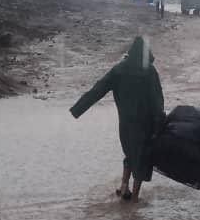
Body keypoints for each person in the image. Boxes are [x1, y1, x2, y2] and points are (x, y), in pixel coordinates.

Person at [70, 36, 164, 202]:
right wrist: (160, 122)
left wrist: (78, 109)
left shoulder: (119, 70)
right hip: (145, 125)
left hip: (125, 124)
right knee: (141, 159)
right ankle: (134, 198)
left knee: (129, 154)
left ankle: (123, 186)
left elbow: (98, 89)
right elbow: (157, 100)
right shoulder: (149, 71)